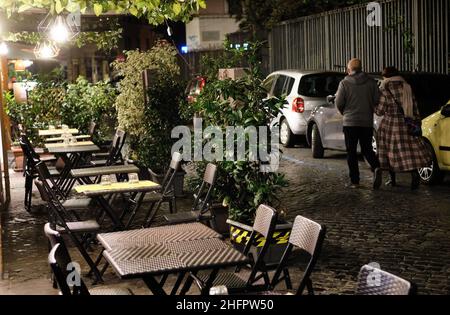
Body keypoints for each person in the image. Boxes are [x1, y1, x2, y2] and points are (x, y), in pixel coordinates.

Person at [375, 67, 431, 190]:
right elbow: (415, 107)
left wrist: (374, 107)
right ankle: (414, 174)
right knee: (408, 152)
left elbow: (380, 111)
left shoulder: (385, 90)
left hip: (390, 125)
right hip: (407, 123)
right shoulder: (407, 87)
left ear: (386, 77)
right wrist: (416, 121)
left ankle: (392, 179)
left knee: (390, 152)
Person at [335, 58, 382, 189]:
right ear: (361, 69)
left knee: (351, 152)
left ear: (349, 70)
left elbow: (339, 103)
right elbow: (377, 100)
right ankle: (376, 166)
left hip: (350, 123)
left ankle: (355, 181)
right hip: (366, 122)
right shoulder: (371, 83)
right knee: (367, 149)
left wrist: (345, 112)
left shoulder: (344, 83)